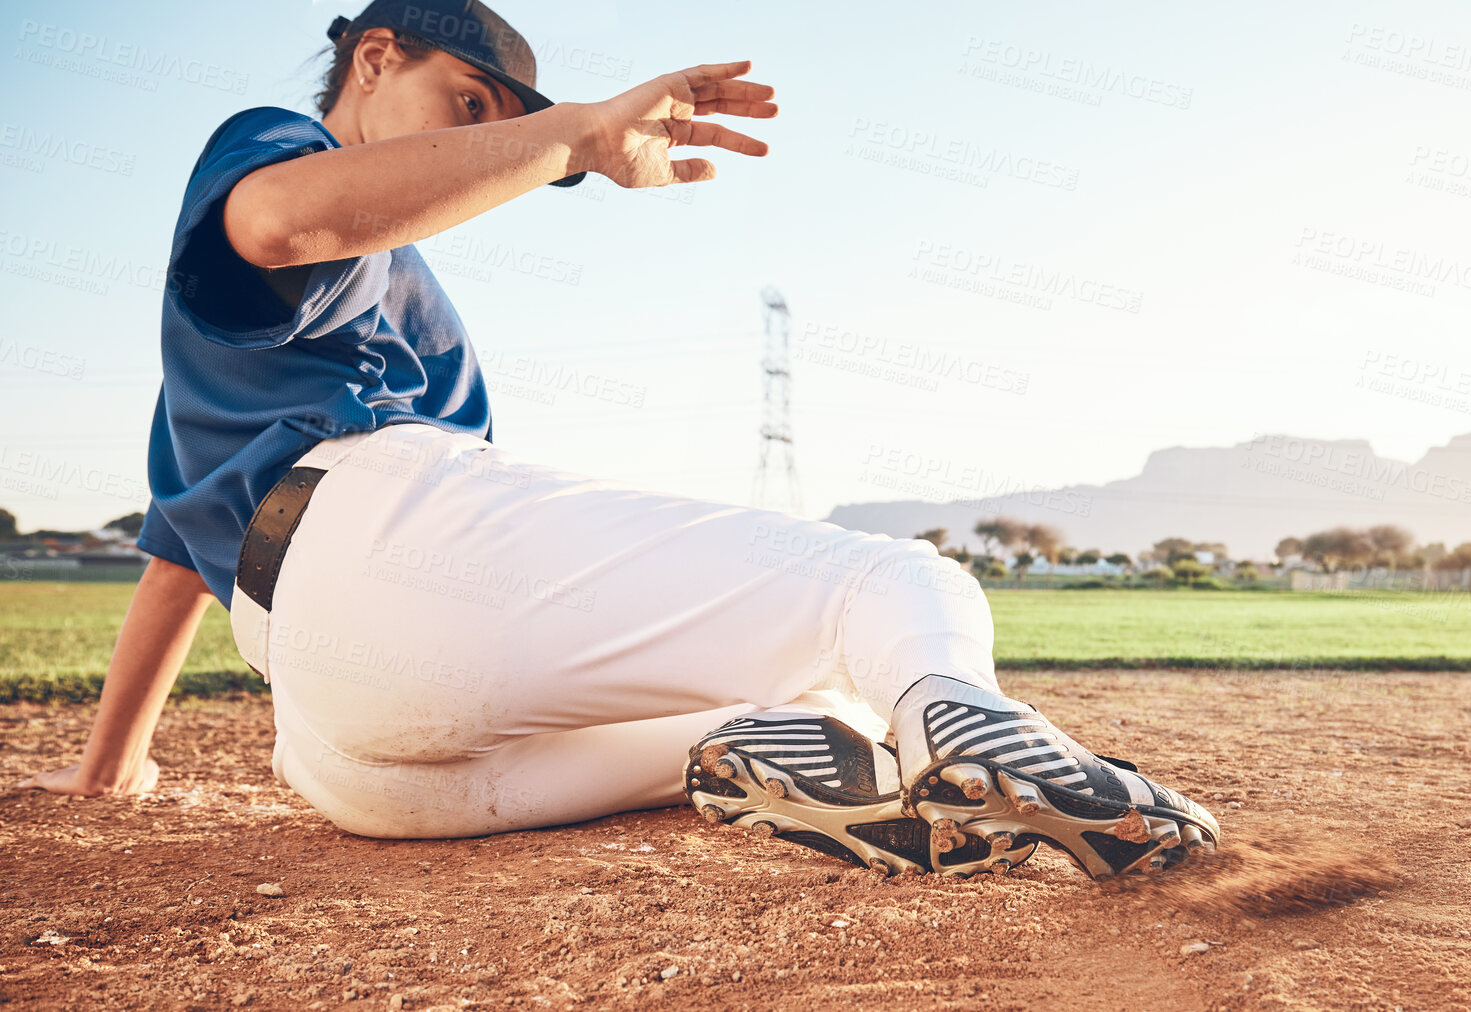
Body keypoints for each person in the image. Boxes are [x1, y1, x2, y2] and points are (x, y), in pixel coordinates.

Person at [16, 0, 1217, 879]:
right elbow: (281, 223)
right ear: (374, 56)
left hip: (336, 739)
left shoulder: (236, 353)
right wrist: (577, 137)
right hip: (392, 544)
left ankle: (764, 748)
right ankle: (967, 716)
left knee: (793, 714)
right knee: (895, 584)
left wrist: (110, 767)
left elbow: (178, 551)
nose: (484, 138)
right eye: (467, 106)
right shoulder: (285, 151)